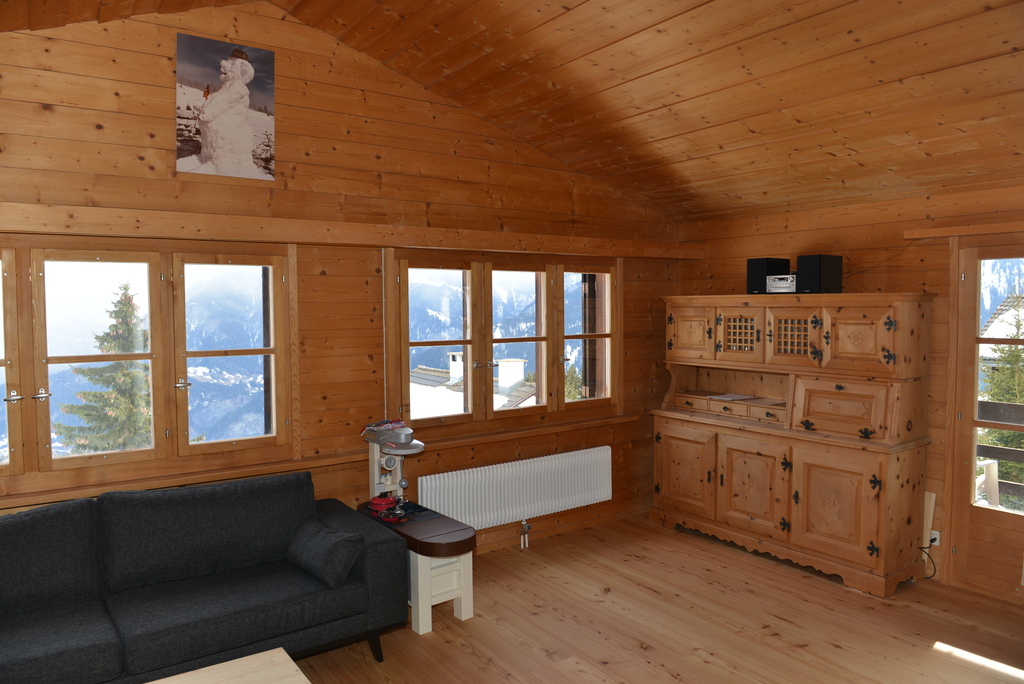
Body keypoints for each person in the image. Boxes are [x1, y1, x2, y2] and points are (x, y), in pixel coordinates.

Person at [192, 48, 264, 179]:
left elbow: (223, 102)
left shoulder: (238, 87)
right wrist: (201, 103)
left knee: (224, 163)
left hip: (229, 138)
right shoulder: (227, 86)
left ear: (241, 69)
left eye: (231, 64)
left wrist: (206, 112)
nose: (224, 65)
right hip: (217, 140)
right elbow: (215, 98)